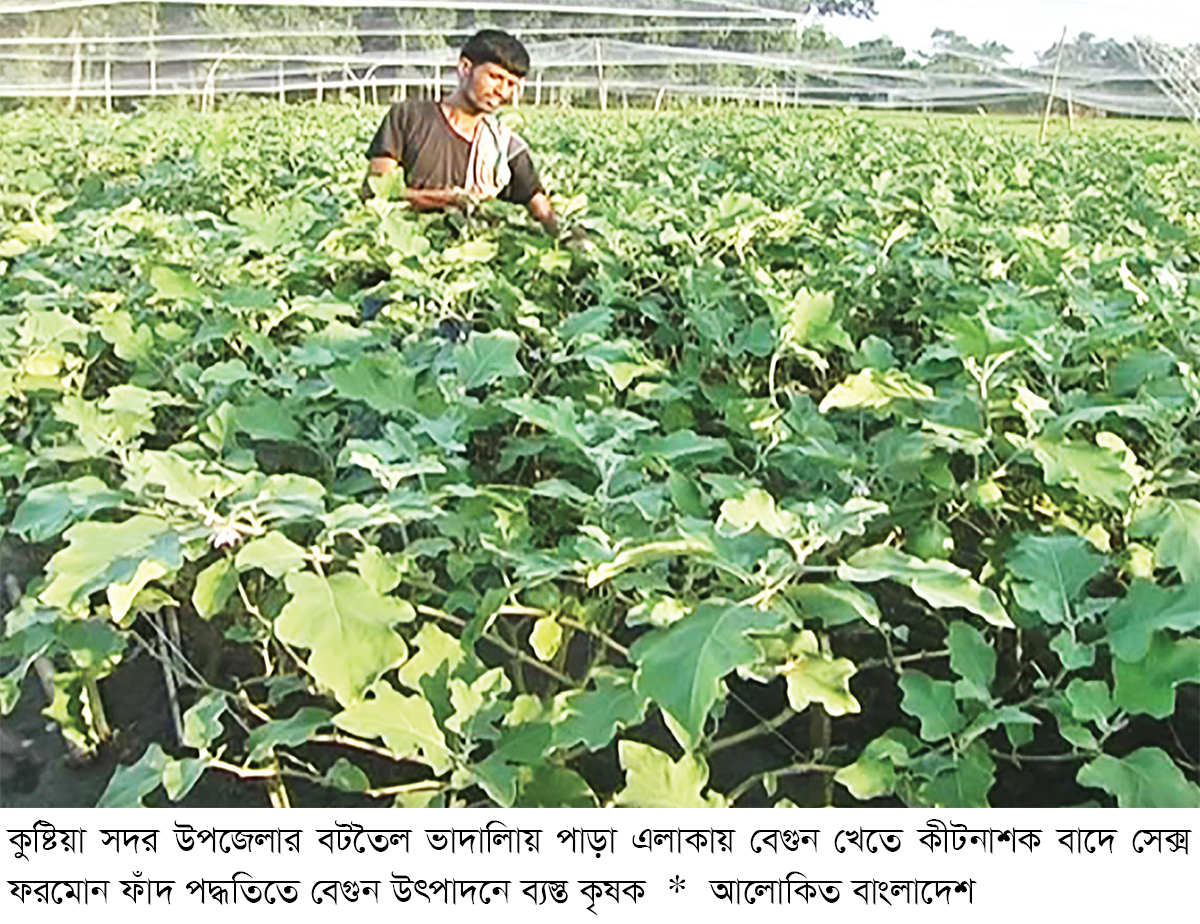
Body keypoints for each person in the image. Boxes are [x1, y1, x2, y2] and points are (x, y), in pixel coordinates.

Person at [362, 29, 558, 236]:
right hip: (401, 250)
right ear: (465, 68)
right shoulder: (408, 117)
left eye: (511, 84)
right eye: (495, 77)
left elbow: (543, 212)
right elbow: (375, 192)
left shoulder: (504, 145)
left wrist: (576, 241)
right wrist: (446, 199)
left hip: (468, 260)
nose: (502, 91)